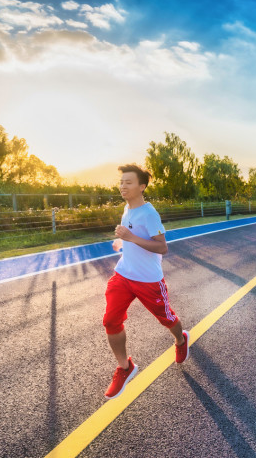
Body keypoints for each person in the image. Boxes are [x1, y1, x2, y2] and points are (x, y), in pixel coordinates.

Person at [103, 164, 189, 399]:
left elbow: (162, 247)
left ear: (141, 187)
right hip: (123, 275)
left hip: (149, 280)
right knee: (110, 320)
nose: (122, 186)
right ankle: (124, 367)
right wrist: (122, 243)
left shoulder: (149, 214)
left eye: (128, 182)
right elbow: (131, 235)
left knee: (167, 318)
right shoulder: (127, 208)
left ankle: (181, 340)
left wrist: (129, 237)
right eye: (121, 182)